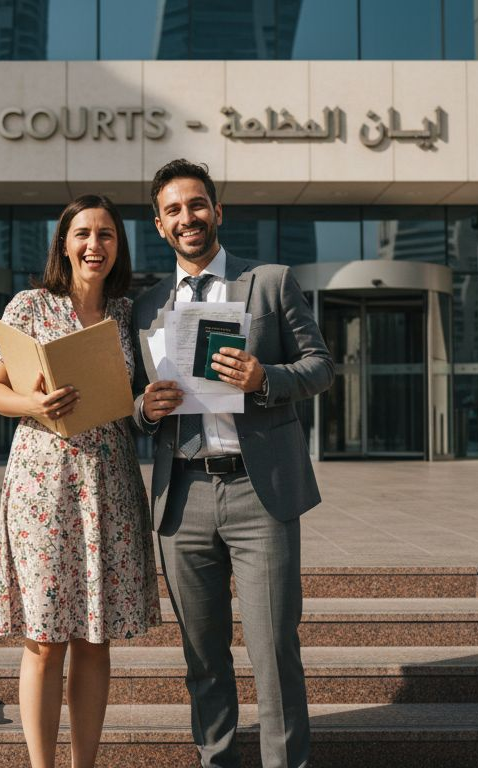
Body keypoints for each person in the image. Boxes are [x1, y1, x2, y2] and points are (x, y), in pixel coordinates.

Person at [132, 159, 333, 768]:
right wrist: (144, 409)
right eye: (173, 210)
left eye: (197, 205)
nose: (187, 218)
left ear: (217, 211)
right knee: (202, 659)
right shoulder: (146, 305)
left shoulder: (269, 282)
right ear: (160, 225)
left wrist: (264, 377)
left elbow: (320, 367)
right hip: (183, 499)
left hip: (257, 493)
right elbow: (131, 405)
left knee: (273, 653)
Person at [0, 195, 160, 768]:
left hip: (110, 484)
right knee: (44, 638)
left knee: (94, 637)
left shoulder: (129, 314)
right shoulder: (30, 305)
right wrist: (33, 403)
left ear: (118, 246)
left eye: (106, 234)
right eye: (82, 233)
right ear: (63, 243)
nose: (94, 245)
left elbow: (136, 398)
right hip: (43, 487)